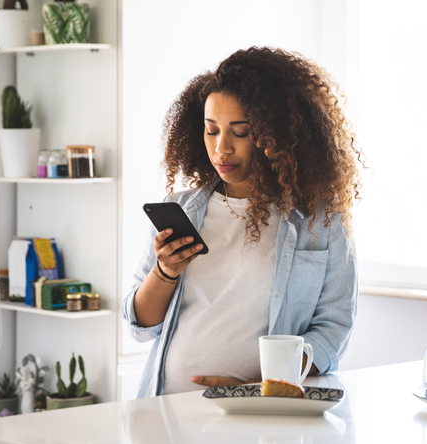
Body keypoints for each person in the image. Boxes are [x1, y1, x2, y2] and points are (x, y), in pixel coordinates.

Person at [123, 46, 364, 397]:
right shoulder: (182, 209)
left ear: (276, 134)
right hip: (169, 410)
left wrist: (261, 387)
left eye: (240, 131)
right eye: (211, 130)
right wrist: (165, 272)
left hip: (261, 412)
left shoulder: (319, 220)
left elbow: (332, 332)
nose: (222, 148)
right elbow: (141, 325)